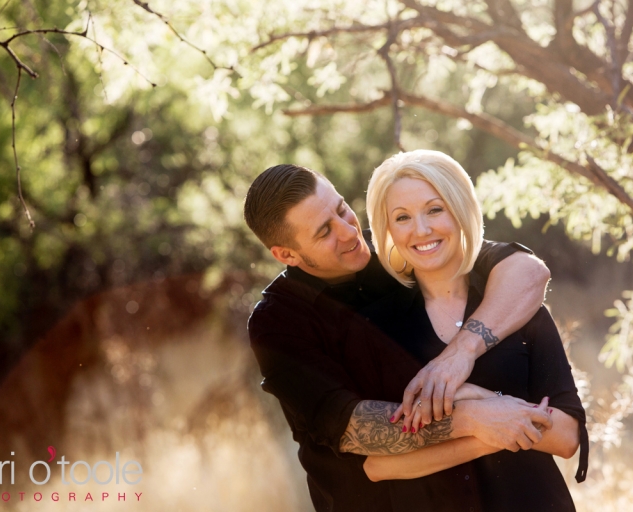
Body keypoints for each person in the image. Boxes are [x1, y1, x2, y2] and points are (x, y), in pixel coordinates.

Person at [244, 164, 555, 511]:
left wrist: (461, 352)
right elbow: (353, 428)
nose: (349, 232)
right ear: (286, 254)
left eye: (342, 208)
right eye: (324, 232)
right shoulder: (277, 323)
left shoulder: (399, 248)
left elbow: (527, 271)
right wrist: (476, 417)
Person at [359, 149, 588, 511]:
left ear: (460, 209)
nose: (421, 230)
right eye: (402, 217)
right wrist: (486, 425)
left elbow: (566, 436)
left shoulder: (516, 308)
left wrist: (480, 398)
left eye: (435, 209)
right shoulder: (376, 327)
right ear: (387, 230)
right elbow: (379, 464)